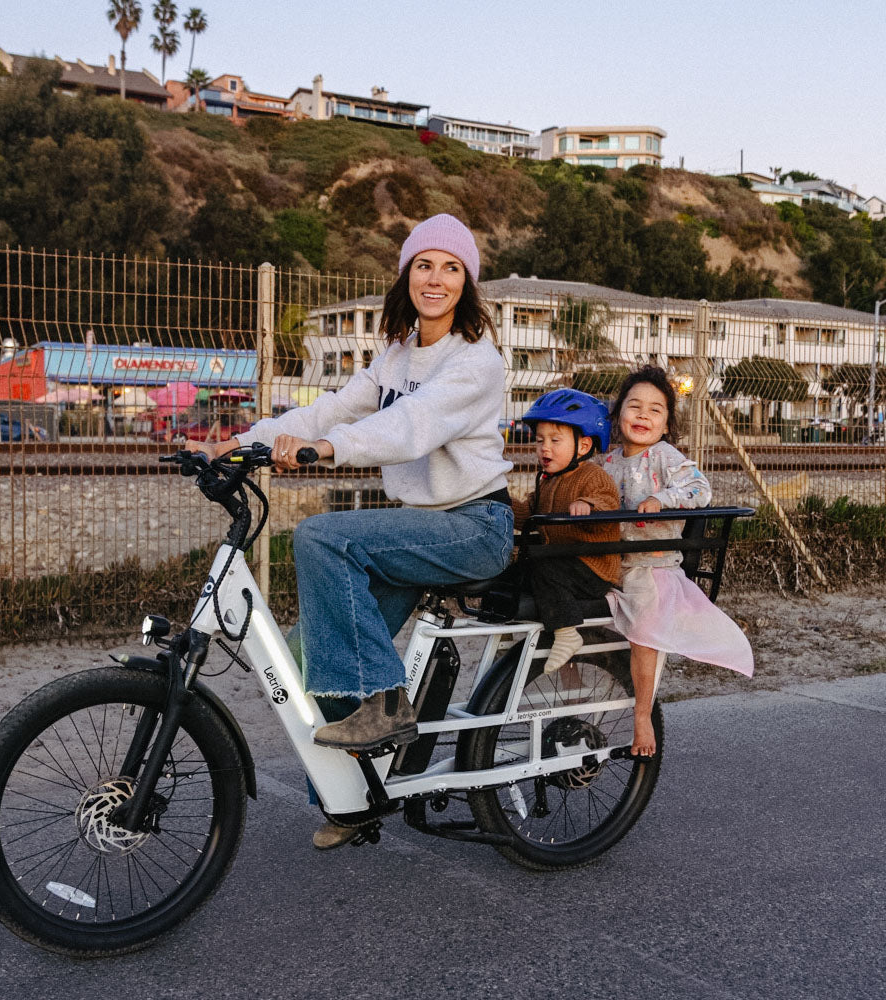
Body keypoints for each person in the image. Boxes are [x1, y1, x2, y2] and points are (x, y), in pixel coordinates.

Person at [198, 214, 515, 848]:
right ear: (406, 275)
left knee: (319, 537)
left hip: (473, 525)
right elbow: (327, 410)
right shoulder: (397, 354)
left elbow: (410, 428)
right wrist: (241, 443)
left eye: (452, 268)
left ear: (468, 284)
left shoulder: (476, 363)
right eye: (424, 264)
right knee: (304, 656)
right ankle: (356, 798)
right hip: (416, 530)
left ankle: (386, 704)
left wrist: (325, 452)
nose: (436, 278)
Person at [596, 366, 754, 758]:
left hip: (652, 566)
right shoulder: (606, 462)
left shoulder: (664, 457)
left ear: (667, 423)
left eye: (655, 410)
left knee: (644, 629)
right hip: (611, 562)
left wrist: (662, 499)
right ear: (618, 416)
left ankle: (642, 713)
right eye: (634, 407)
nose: (643, 416)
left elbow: (700, 488)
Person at [511, 390, 621, 674]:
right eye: (539, 441)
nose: (544, 448)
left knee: (545, 568)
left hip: (592, 568)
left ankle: (567, 633)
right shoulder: (548, 481)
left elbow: (608, 504)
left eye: (555, 441)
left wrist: (588, 505)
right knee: (517, 569)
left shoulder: (593, 476)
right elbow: (529, 515)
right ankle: (505, 632)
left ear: (583, 446)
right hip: (564, 562)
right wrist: (503, 504)